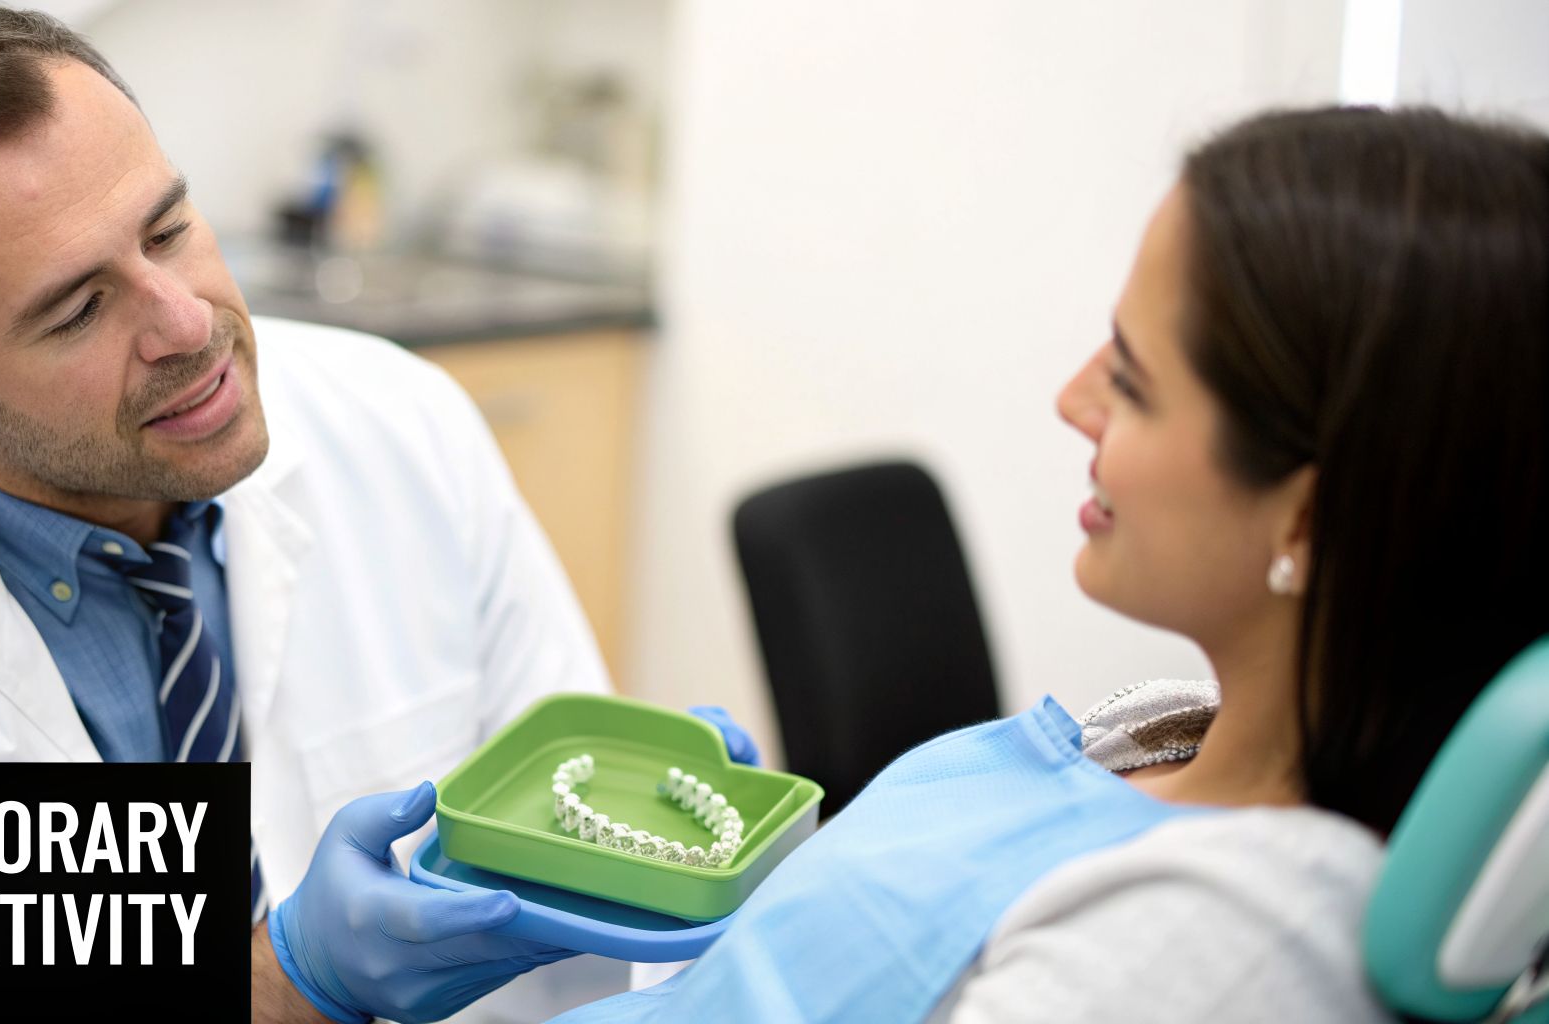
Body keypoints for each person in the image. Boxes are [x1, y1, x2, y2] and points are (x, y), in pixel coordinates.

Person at [0, 4, 756, 1022]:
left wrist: (652, 858)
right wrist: (285, 981)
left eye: (167, 229)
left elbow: (590, 888)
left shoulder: (399, 423)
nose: (187, 324)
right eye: (79, 308)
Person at [533, 106, 1549, 1022]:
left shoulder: (1208, 944)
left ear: (1304, 523)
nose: (1073, 400)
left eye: (1132, 381)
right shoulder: (1174, 728)